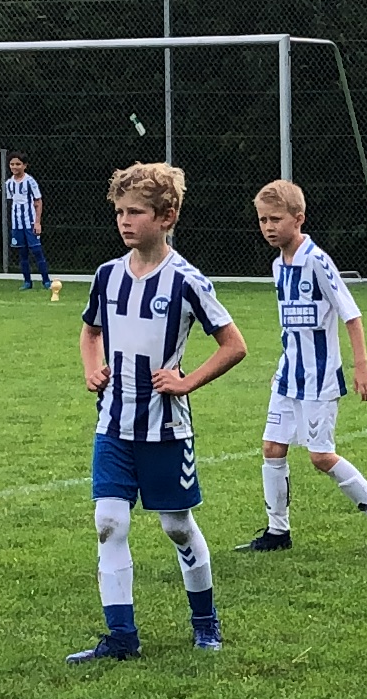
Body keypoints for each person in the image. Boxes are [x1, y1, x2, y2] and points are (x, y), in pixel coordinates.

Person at [73, 161, 247, 662]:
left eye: (136, 212)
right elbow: (90, 332)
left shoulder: (187, 280)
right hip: (113, 424)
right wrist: (93, 368)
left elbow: (234, 345)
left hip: (166, 429)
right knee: (109, 522)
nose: (125, 221)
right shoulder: (107, 276)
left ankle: (205, 622)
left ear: (166, 217)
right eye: (120, 212)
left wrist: (186, 382)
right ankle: (121, 637)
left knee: (176, 526)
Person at [237, 179, 367, 556]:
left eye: (276, 219)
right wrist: (283, 364)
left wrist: (361, 366)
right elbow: (291, 324)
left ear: (299, 218)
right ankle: (278, 531)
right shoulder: (279, 265)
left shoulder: (316, 261)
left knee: (320, 457)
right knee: (272, 447)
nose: (268, 227)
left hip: (319, 377)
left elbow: (351, 315)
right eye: (263, 220)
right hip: (288, 376)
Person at [2, 152, 53, 297]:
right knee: (22, 252)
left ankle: (46, 281)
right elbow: (12, 202)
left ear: (24, 166)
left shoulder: (30, 181)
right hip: (17, 224)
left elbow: (38, 202)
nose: (15, 167)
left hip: (30, 222)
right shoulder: (9, 183)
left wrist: (37, 222)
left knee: (36, 251)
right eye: (12, 164)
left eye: (18, 164)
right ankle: (27, 281)